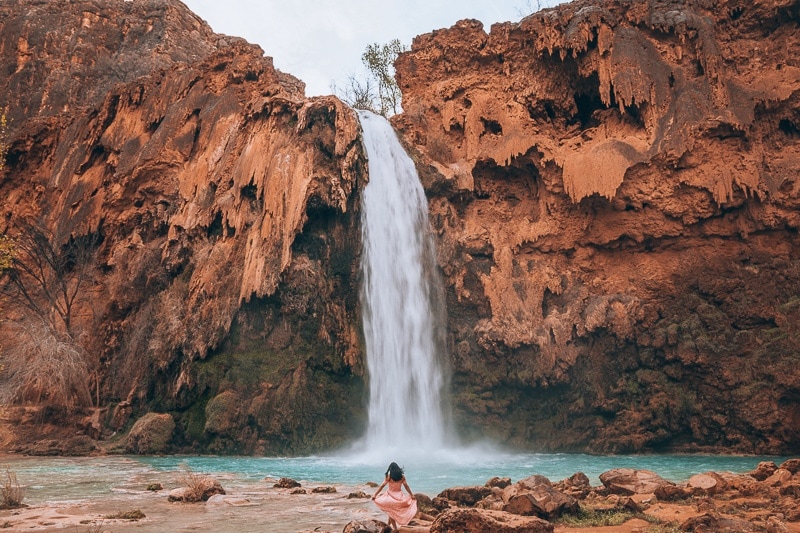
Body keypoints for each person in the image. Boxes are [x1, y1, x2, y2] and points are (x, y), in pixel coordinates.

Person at [371, 462, 417, 531]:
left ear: (390, 469)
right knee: (391, 512)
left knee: (391, 512)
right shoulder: (402, 477)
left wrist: (375, 494)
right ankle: (389, 525)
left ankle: (394, 528)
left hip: (389, 496)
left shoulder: (389, 477)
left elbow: (382, 486)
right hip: (399, 496)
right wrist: (411, 495)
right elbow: (406, 487)